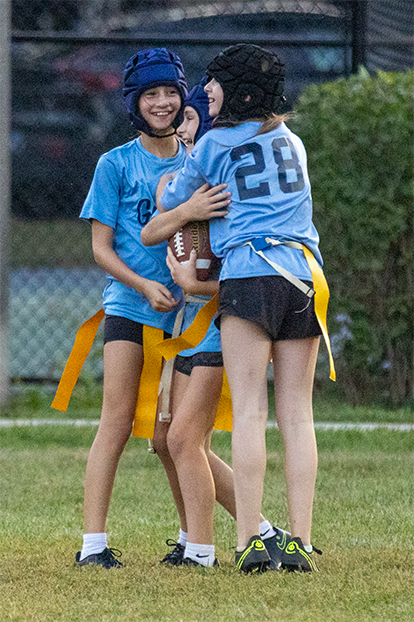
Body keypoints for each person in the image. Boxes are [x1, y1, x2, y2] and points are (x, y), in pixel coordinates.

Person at [160, 44, 332, 573]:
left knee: (252, 412)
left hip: (251, 274)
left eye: (212, 82)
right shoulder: (293, 141)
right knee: (298, 414)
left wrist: (178, 186)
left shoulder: (212, 144)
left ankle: (251, 542)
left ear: (236, 91)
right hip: (303, 274)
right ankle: (300, 542)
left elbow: (173, 202)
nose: (203, 92)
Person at [141, 80, 291, 569]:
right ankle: (262, 530)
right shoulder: (187, 185)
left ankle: (201, 549)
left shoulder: (224, 183)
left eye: (189, 118)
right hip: (190, 324)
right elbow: (150, 231)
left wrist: (195, 282)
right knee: (170, 441)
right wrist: (186, 210)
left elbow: (241, 281)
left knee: (185, 439)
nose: (181, 123)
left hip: (219, 323)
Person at [74, 48, 190, 569]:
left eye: (169, 92)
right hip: (130, 308)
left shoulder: (198, 160)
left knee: (178, 435)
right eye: (151, 94)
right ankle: (92, 545)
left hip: (189, 318)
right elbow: (101, 248)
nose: (162, 102)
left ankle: (194, 541)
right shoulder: (115, 163)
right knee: (116, 421)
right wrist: (145, 285)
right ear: (134, 103)